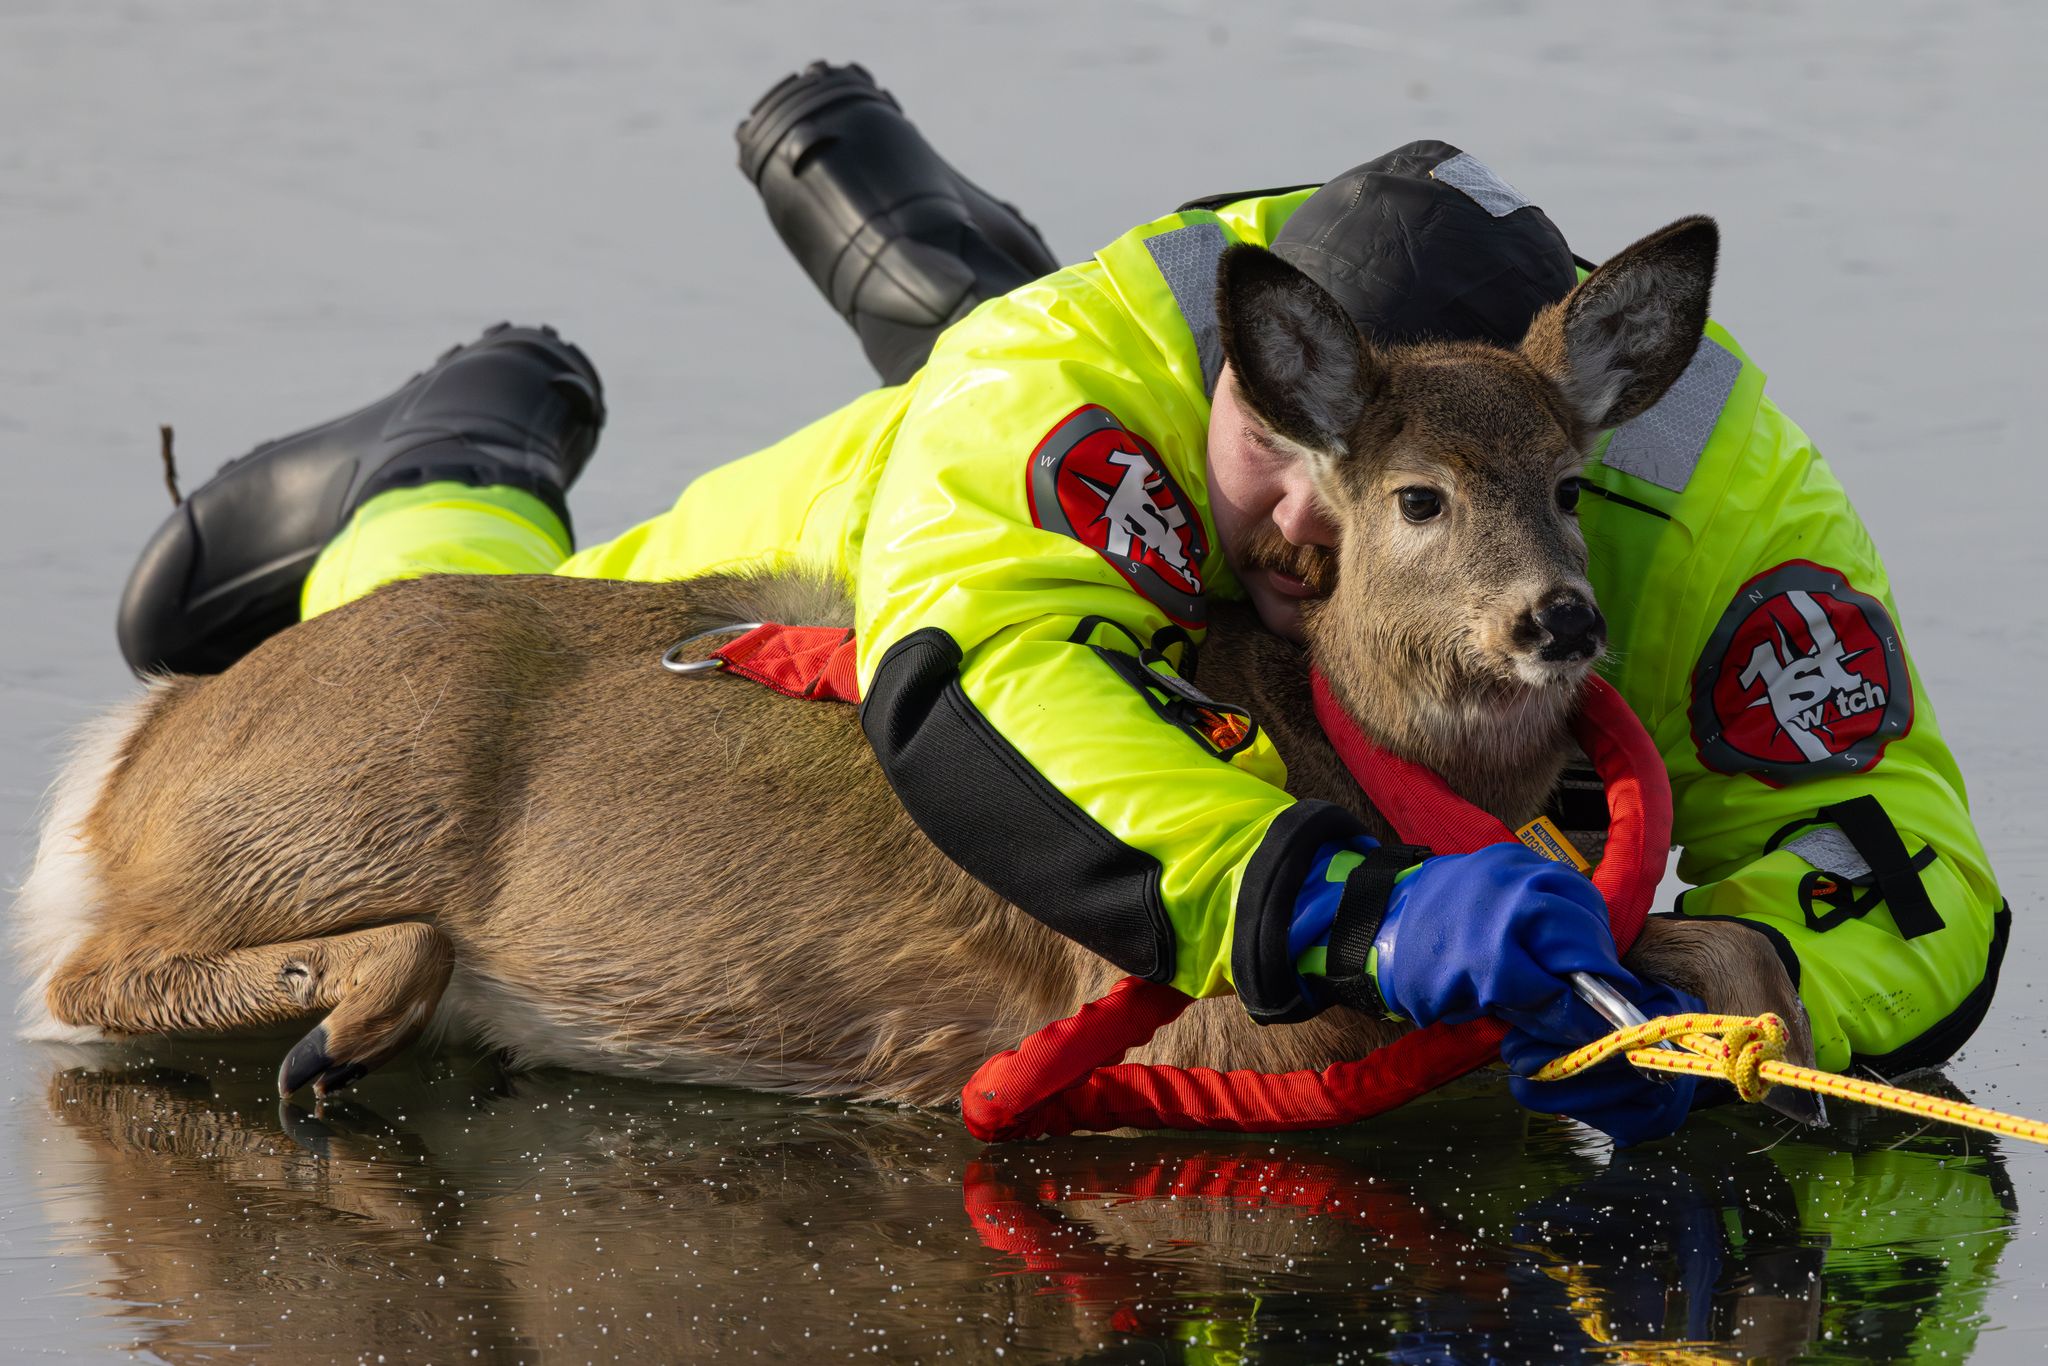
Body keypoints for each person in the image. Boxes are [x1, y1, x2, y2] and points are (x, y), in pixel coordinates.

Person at [114, 63, 2006, 1144]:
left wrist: (1781, 981)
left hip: (1360, 485)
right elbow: (997, 700)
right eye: (1288, 452)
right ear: (1241, 371)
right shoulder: (1073, 382)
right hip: (952, 513)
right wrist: (1330, 905)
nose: (1318, 525)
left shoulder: (1691, 481)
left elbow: (1902, 845)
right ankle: (446, 450)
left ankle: (923, 243)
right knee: (499, 611)